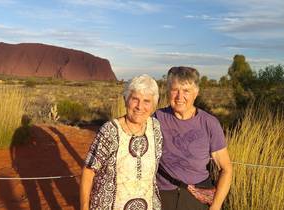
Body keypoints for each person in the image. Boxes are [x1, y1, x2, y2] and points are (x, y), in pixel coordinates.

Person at [80, 74, 163, 210]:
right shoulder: (110, 131)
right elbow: (89, 170)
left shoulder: (155, 128)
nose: (139, 106)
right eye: (135, 99)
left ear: (154, 105)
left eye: (146, 101)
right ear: (126, 100)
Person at [155, 67, 232, 210]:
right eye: (174, 90)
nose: (179, 96)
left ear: (196, 93)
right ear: (167, 91)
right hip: (163, 196)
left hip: (197, 198)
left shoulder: (209, 123)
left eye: (186, 91)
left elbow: (226, 168)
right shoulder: (156, 118)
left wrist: (215, 206)